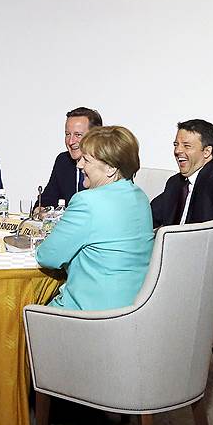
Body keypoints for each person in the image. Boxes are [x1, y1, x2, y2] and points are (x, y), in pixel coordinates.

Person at [36, 126, 154, 311]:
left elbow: (47, 257)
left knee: (15, 316)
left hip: (90, 314)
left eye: (86, 160)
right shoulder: (140, 197)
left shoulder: (87, 202)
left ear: (110, 168)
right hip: (135, 310)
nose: (79, 165)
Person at [150, 119, 213, 271]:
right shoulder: (175, 183)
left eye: (186, 146)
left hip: (199, 265)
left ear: (207, 152)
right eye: (176, 144)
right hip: (170, 257)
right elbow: (150, 215)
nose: (177, 151)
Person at [38, 106, 102, 208]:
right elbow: (46, 200)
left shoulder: (107, 165)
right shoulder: (63, 161)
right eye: (67, 134)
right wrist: (40, 210)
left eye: (78, 135)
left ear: (95, 136)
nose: (71, 141)